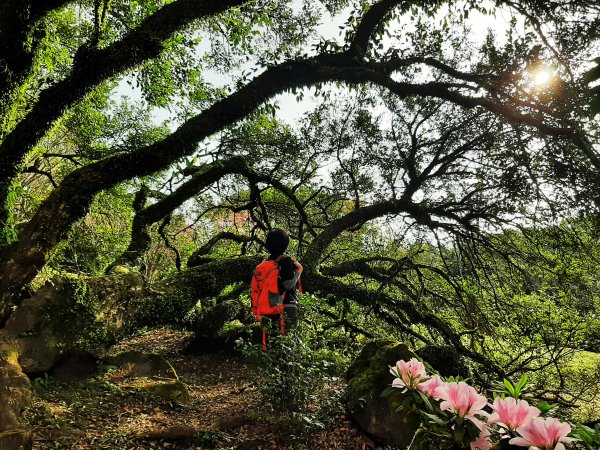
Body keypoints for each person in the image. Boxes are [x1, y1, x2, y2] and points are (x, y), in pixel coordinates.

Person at [263, 228, 302, 328]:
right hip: (286, 305)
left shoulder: (266, 262)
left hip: (269, 306)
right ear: (285, 244)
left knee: (270, 339)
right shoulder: (285, 260)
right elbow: (288, 285)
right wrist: (299, 271)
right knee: (287, 340)